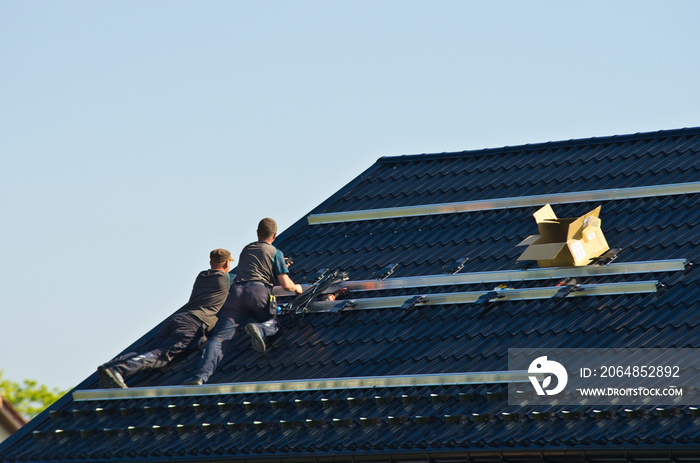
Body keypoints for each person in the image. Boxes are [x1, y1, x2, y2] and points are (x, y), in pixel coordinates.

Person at [183, 218, 303, 386]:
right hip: (258, 294)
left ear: (257, 233)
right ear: (274, 235)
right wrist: (297, 288)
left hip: (237, 294)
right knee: (273, 321)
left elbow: (250, 270)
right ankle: (260, 329)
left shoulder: (247, 249)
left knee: (218, 338)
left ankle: (200, 376)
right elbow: (285, 284)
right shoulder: (276, 252)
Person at [98, 248, 235, 388]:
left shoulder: (202, 276)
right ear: (226, 264)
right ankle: (119, 369)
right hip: (192, 323)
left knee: (149, 350)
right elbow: (242, 282)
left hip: (178, 318)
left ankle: (111, 366)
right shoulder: (225, 279)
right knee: (162, 354)